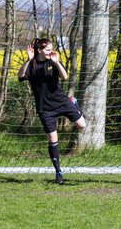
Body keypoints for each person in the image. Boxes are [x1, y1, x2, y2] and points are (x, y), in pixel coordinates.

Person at [18, 38, 86, 184]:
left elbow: (65, 76)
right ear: (39, 51)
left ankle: (74, 103)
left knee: (82, 125)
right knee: (52, 138)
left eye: (51, 49)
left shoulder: (53, 61)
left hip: (61, 101)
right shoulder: (32, 64)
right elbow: (21, 75)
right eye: (48, 50)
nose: (51, 52)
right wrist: (28, 60)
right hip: (45, 108)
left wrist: (56, 62)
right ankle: (58, 172)